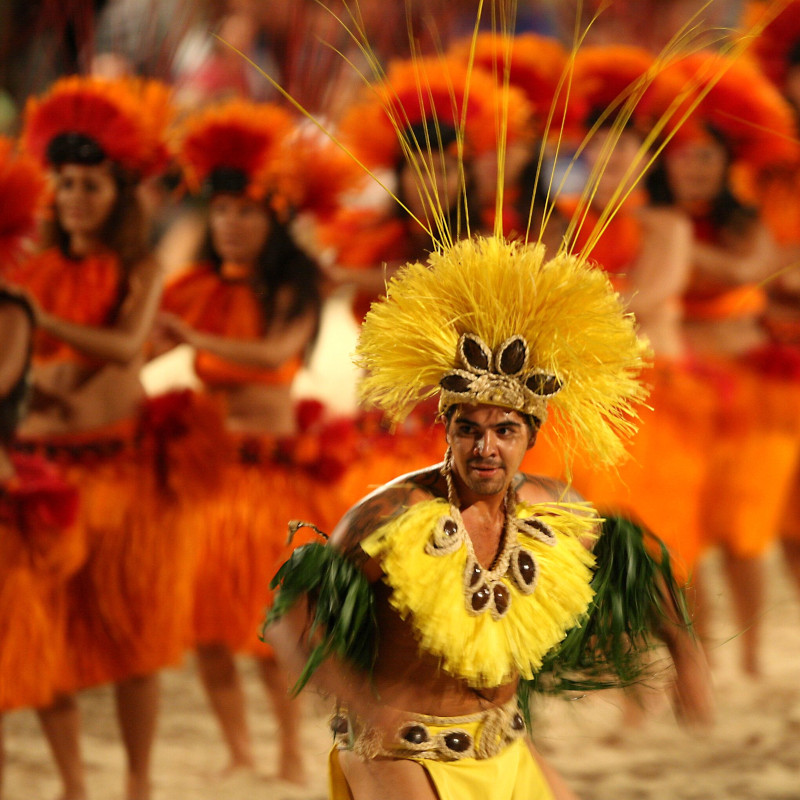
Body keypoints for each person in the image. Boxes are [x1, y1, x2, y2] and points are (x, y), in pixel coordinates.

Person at [265, 233, 710, 799]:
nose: (485, 447)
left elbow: (636, 566)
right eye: (468, 429)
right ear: (447, 431)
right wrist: (360, 705)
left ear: (530, 436)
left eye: (504, 431)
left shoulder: (556, 511)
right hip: (396, 753)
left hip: (504, 746)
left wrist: (685, 652)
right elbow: (290, 618)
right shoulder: (391, 516)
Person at [155, 98, 357, 784]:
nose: (230, 225)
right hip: (207, 479)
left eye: (244, 211)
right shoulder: (193, 289)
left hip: (272, 483)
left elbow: (273, 359)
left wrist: (195, 341)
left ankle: (289, 747)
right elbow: (139, 353)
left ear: (272, 217)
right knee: (210, 632)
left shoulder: (294, 288)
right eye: (219, 212)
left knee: (274, 628)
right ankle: (239, 749)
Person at [6, 75, 188, 800]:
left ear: (119, 195)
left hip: (122, 471)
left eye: (90, 186)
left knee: (132, 640)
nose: (74, 198)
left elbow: (122, 348)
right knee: (45, 634)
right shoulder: (26, 269)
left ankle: (139, 782)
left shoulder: (139, 268)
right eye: (64, 183)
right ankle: (73, 784)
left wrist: (35, 323)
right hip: (43, 473)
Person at [645, 50, 800, 675]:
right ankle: (698, 654)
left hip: (751, 393)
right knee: (679, 534)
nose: (696, 168)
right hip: (677, 387)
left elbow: (748, 270)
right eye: (682, 155)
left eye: (707, 155)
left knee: (746, 532)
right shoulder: (645, 221)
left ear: (727, 160)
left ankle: (755, 657)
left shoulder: (746, 216)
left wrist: (673, 250)